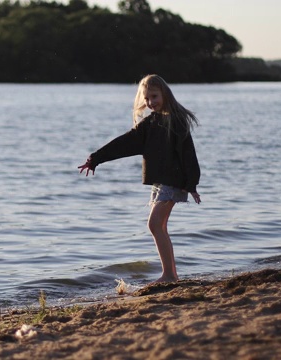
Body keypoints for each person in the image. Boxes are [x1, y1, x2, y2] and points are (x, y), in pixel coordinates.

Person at [78, 74, 201, 284]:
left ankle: (169, 275)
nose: (150, 102)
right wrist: (96, 158)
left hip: (174, 181)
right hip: (162, 181)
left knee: (154, 225)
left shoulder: (177, 121)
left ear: (165, 94)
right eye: (147, 98)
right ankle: (171, 275)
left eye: (154, 96)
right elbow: (124, 143)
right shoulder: (150, 123)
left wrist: (191, 184)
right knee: (159, 226)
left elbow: (188, 153)